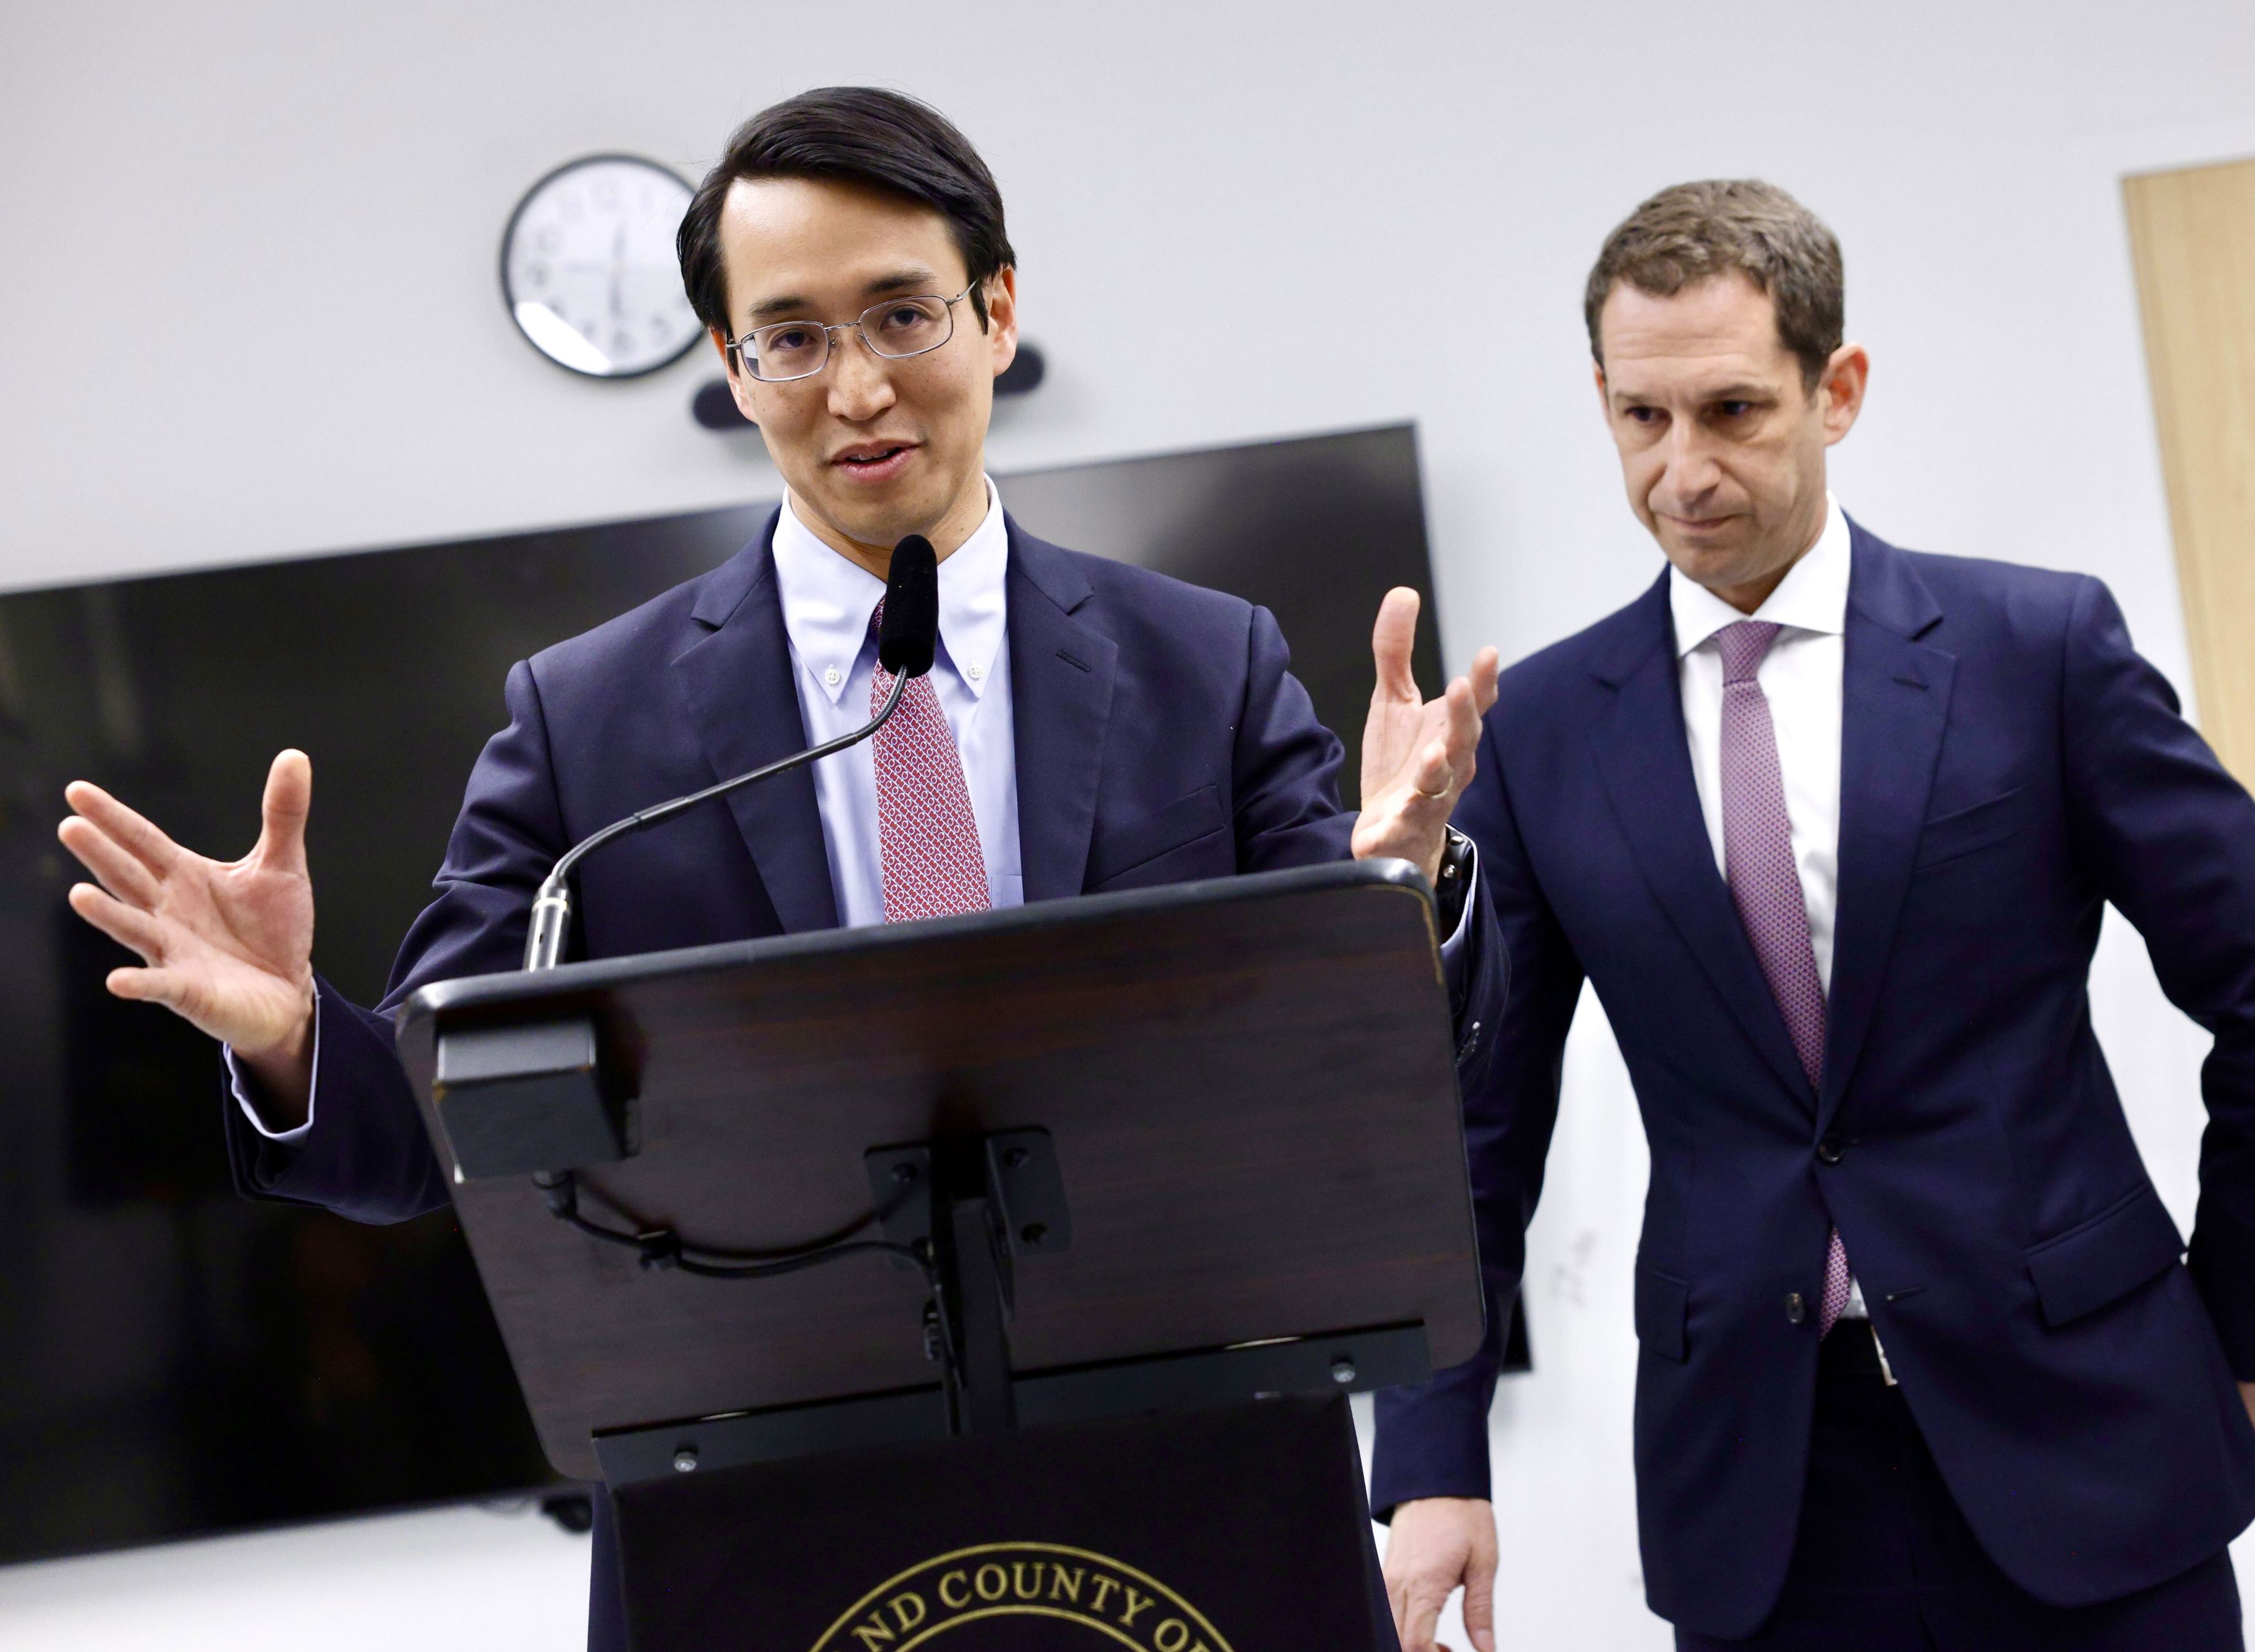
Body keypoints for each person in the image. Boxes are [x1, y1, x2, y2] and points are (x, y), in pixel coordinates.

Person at [56, 86, 1504, 1651]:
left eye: (902, 314)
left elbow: (1365, 1049)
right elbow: (433, 1127)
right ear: (732, 368)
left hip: (1194, 1473)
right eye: (793, 336)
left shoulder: (1200, 663)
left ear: (997, 309)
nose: (859, 386)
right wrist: (287, 1029)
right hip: (760, 1511)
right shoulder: (586, 720)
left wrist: (1397, 889)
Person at [1371, 180, 2255, 1651]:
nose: (1682, 470)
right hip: (1761, 1491)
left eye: (1731, 412)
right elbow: (1472, 1128)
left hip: (2094, 1435)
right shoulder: (1541, 730)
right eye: (1641, 419)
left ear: (1837, 390)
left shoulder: (2039, 650)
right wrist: (1432, 1464)